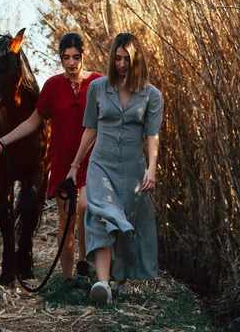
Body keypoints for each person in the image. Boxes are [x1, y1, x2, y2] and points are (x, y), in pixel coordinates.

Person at [0, 32, 102, 282]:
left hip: (93, 159)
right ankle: (69, 279)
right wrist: (1, 142)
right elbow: (32, 122)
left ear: (83, 56)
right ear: (60, 58)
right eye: (66, 57)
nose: (71, 62)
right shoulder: (52, 85)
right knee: (66, 219)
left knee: (86, 208)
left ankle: (84, 260)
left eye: (76, 57)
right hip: (62, 160)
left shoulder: (99, 83)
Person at [67, 32, 164, 304]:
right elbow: (89, 130)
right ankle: (102, 284)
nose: (121, 64)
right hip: (101, 165)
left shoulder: (152, 95)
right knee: (100, 215)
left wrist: (152, 169)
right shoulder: (98, 88)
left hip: (133, 169)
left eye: (127, 59)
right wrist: (75, 165)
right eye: (117, 58)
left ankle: (119, 281)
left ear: (136, 60)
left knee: (124, 222)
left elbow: (152, 136)